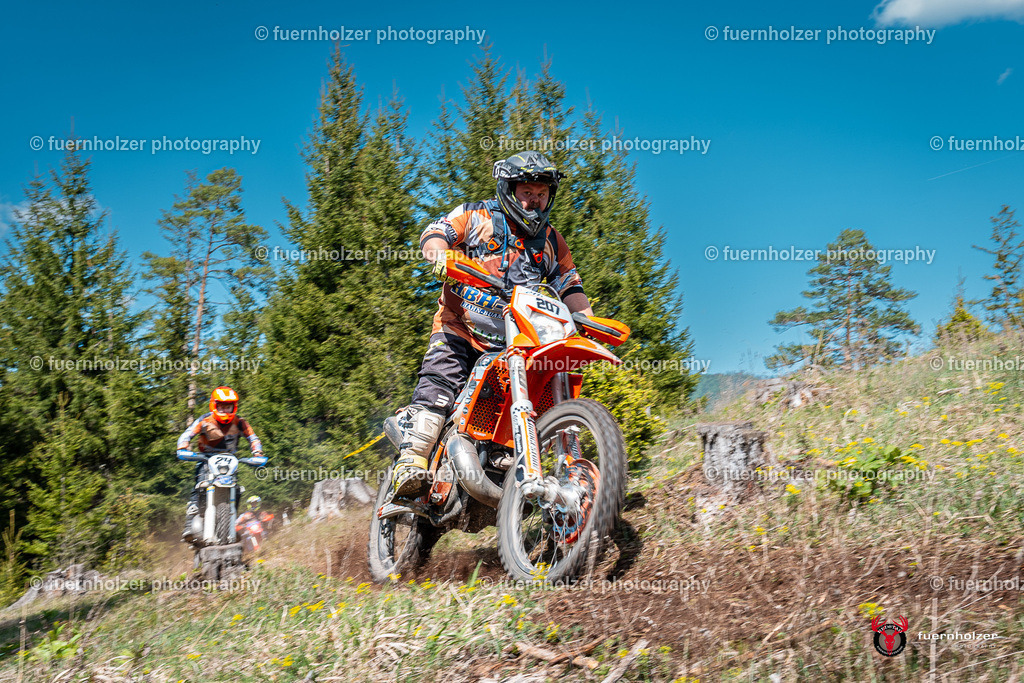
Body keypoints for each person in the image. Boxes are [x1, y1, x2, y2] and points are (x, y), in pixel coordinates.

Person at [385, 151, 595, 502]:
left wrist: (587, 322)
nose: (534, 201)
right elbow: (435, 233)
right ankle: (411, 462)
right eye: (528, 192)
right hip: (460, 329)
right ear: (509, 190)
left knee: (543, 393)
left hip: (517, 341)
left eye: (541, 194)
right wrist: (441, 256)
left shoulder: (551, 240)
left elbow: (569, 284)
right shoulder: (476, 215)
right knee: (439, 388)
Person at [177, 386, 264, 541]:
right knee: (199, 484)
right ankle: (190, 523)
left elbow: (253, 438)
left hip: (230, 460)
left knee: (236, 489)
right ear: (214, 405)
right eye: (221, 406)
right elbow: (187, 434)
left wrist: (257, 453)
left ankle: (231, 522)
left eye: (228, 406)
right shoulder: (204, 420)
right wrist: (183, 447)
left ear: (233, 407)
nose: (224, 410)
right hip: (206, 458)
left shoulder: (240, 422)